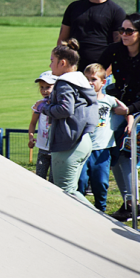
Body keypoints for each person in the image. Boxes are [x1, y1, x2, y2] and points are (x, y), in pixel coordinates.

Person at [98, 14, 140, 221]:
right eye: (121, 30)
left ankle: (134, 205)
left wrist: (130, 111)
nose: (123, 35)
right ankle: (129, 204)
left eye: (128, 31)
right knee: (114, 155)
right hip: (117, 106)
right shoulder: (114, 50)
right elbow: (96, 71)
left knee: (126, 156)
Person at [38, 39, 98, 203]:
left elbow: (66, 109)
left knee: (66, 192)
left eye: (52, 61)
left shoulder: (64, 83)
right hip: (82, 140)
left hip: (68, 144)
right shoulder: (81, 80)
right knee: (71, 190)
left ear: (62, 62)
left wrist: (44, 108)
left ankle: (97, 221)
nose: (50, 65)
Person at [77, 63, 129, 212]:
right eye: (86, 79)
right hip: (82, 146)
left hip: (102, 148)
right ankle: (79, 208)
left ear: (103, 82)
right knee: (81, 180)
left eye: (93, 79)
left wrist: (129, 123)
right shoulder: (80, 99)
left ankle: (101, 209)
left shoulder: (109, 100)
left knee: (100, 182)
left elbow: (125, 110)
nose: (89, 83)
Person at [58, 0, 126, 71]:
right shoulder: (74, 7)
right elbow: (62, 41)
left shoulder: (116, 11)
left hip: (98, 73)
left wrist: (103, 74)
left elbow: (119, 48)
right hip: (72, 70)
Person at [28, 71, 57, 182]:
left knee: (54, 181)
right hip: (42, 148)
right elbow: (32, 123)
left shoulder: (61, 106)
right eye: (41, 87)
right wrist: (31, 137)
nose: (44, 90)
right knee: (39, 178)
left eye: (48, 87)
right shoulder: (38, 105)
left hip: (56, 149)